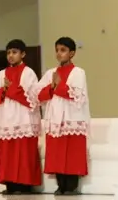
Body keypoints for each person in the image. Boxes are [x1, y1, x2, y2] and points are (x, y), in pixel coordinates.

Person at [36, 37, 89, 195]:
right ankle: (61, 185)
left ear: (72, 53)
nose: (59, 54)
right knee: (57, 152)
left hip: (72, 118)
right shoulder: (50, 73)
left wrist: (59, 85)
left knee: (72, 152)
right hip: (55, 118)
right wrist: (52, 87)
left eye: (63, 50)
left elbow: (77, 95)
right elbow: (39, 94)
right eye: (57, 50)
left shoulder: (78, 72)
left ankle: (71, 186)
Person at [0, 39, 42, 195]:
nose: (11, 56)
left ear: (23, 54)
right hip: (6, 119)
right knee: (8, 153)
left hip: (24, 118)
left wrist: (9, 89)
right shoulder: (1, 74)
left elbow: (32, 96)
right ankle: (10, 185)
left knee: (24, 152)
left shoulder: (28, 72)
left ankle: (24, 185)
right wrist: (4, 91)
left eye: (14, 52)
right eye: (8, 52)